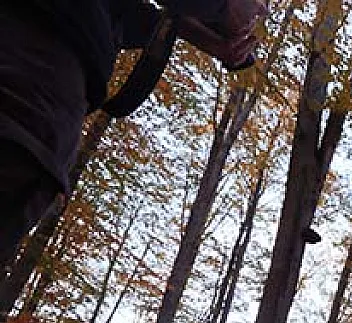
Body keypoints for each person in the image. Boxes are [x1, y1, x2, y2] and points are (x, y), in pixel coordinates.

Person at [0, 0, 264, 270]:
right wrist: (224, 7)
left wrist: (198, 35)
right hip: (29, 73)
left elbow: (119, 17)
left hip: (38, 102)